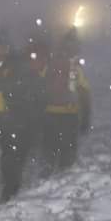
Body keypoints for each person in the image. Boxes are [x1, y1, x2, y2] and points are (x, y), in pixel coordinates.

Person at [0, 47, 47, 203]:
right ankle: (13, 186)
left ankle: (9, 185)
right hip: (26, 122)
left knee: (8, 154)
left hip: (8, 123)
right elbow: (41, 99)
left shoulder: (5, 79)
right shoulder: (33, 76)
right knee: (20, 155)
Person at [40, 29, 91, 177]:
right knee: (67, 149)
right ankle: (63, 177)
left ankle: (46, 175)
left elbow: (41, 84)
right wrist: (86, 116)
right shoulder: (75, 67)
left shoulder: (50, 63)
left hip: (50, 112)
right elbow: (84, 91)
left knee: (50, 148)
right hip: (70, 112)